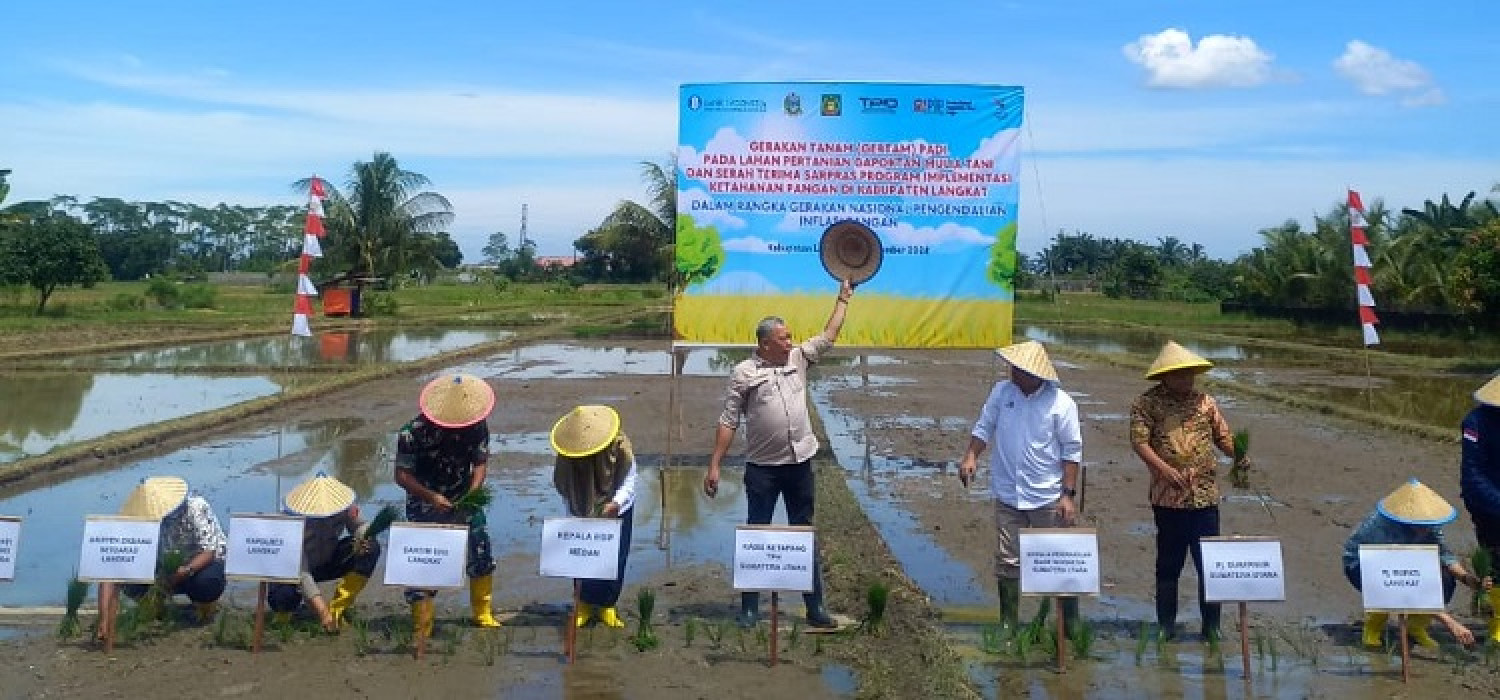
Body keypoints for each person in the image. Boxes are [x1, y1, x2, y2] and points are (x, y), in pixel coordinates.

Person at [704, 278, 854, 629]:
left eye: (789, 337)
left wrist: (843, 298)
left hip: (800, 463)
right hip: (762, 469)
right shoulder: (744, 373)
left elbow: (829, 335)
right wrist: (714, 466)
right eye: (784, 338)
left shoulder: (799, 358)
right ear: (766, 344)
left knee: (803, 531)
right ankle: (750, 609)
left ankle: (815, 607)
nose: (791, 342)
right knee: (756, 532)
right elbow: (728, 420)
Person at [958, 340, 1083, 631]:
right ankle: (1008, 623)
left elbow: (1072, 451)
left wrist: (1067, 495)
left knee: (1057, 560)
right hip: (1008, 492)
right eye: (1012, 367)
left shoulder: (1061, 403)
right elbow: (984, 426)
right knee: (1007, 559)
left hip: (1047, 495)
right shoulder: (1002, 393)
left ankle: (1070, 625)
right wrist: (971, 456)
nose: (1012, 372)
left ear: (1036, 373)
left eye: (1019, 369)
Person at [1129, 341, 1246, 641]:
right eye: (1179, 375)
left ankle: (1212, 628)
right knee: (1169, 564)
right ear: (1165, 376)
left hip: (1204, 497)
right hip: (1167, 498)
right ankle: (1166, 625)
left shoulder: (1205, 402)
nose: (1186, 380)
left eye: (1189, 374)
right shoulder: (1146, 404)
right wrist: (1162, 469)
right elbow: (1140, 442)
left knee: (1210, 565)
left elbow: (1223, 437)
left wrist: (1239, 453)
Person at [394, 373, 501, 636]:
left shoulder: (476, 426)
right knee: (424, 562)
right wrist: (431, 497)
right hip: (425, 502)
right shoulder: (412, 433)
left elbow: (479, 464)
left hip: (463, 498)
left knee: (480, 550)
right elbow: (401, 475)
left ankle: (482, 613)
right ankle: (423, 622)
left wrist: (473, 495)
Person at [1344, 478, 1488, 649]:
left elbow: (1445, 556)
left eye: (1428, 525)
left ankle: (1416, 626)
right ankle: (1373, 627)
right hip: (1364, 565)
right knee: (1389, 586)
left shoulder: (1429, 525)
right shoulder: (1383, 527)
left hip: (1406, 563)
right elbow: (1401, 584)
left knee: (1445, 579)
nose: (1425, 529)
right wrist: (1450, 623)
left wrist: (1467, 579)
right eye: (1419, 525)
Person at [551, 405, 639, 628]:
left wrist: (616, 503)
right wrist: (575, 513)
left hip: (616, 507)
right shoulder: (568, 454)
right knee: (582, 555)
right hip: (581, 507)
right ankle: (584, 604)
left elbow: (630, 480)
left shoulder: (621, 448)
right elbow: (565, 487)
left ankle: (607, 605)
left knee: (615, 557)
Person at [99, 476, 228, 629]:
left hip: (199, 565)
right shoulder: (140, 519)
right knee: (131, 582)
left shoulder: (195, 507)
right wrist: (104, 619)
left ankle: (204, 605)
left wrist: (185, 571)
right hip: (165, 569)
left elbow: (209, 551)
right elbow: (112, 567)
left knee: (206, 583)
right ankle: (156, 606)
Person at [267, 473, 382, 631]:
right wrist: (322, 613)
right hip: (295, 568)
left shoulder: (344, 506)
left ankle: (339, 606)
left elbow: (360, 525)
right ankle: (284, 615)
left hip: (328, 558)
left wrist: (363, 537)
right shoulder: (289, 518)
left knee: (372, 548)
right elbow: (301, 571)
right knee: (283, 595)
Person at [1460, 374, 1500, 643]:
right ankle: (1497, 626)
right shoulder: (1475, 423)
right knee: (1496, 563)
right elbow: (1473, 477)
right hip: (1488, 505)